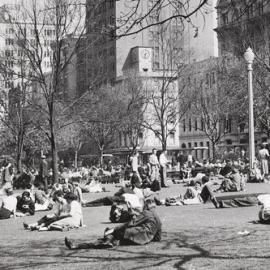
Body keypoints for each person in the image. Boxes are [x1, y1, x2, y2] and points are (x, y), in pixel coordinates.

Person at [64, 199, 162, 249]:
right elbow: (158, 238)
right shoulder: (158, 219)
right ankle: (108, 242)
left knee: (108, 233)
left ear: (146, 205)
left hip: (134, 234)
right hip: (141, 240)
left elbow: (131, 223)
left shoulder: (147, 213)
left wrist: (114, 229)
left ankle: (77, 245)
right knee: (113, 240)